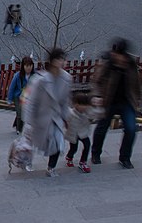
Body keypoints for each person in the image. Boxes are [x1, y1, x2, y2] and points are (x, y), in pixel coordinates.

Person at [91, 38, 140, 169]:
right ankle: (95, 154)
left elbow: (136, 84)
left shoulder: (130, 65)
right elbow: (96, 81)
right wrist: (98, 96)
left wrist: (137, 100)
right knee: (102, 128)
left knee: (131, 129)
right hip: (108, 101)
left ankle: (125, 157)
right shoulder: (107, 63)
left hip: (126, 102)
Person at [23, 48, 71, 177]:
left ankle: (51, 168)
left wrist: (66, 118)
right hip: (40, 117)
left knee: (57, 142)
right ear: (53, 61)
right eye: (60, 59)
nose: (63, 62)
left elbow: (65, 101)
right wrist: (28, 122)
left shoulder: (66, 78)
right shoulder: (40, 80)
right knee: (32, 143)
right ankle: (27, 162)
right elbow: (32, 102)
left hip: (56, 117)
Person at [65, 93, 101, 173]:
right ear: (75, 104)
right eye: (80, 104)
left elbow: (96, 114)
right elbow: (65, 119)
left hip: (83, 133)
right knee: (74, 148)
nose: (82, 107)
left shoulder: (88, 113)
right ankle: (69, 157)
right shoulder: (70, 113)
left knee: (87, 146)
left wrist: (97, 105)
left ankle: (83, 162)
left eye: (84, 104)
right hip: (73, 134)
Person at [8, 57, 36, 134]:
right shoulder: (17, 75)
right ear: (23, 66)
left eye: (30, 65)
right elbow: (12, 87)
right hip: (18, 96)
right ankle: (19, 128)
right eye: (26, 66)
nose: (28, 68)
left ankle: (25, 127)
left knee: (27, 112)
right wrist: (9, 100)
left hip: (30, 97)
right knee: (20, 113)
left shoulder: (34, 76)